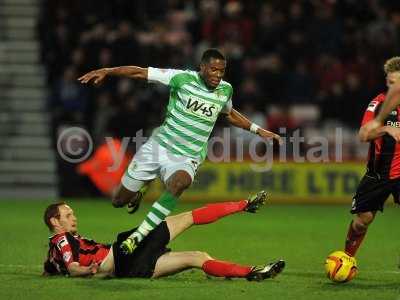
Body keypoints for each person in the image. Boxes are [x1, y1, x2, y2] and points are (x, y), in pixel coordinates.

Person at [78, 49, 282, 253]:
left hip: (187, 157)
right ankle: (144, 185)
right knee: (119, 201)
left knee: (180, 183)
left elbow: (228, 113)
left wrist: (258, 130)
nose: (218, 75)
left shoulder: (225, 90)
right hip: (158, 148)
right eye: (213, 69)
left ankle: (137, 237)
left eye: (222, 71)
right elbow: (139, 72)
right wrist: (107, 70)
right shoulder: (180, 78)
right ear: (202, 67)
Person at [42, 191, 285, 281]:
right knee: (187, 218)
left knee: (196, 257)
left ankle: (252, 272)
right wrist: (87, 271)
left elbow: (55, 266)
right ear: (55, 222)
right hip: (125, 253)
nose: (73, 218)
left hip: (131, 270)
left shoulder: (56, 247)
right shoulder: (63, 240)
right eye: (67, 215)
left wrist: (51, 271)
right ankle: (244, 204)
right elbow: (73, 267)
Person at [344, 57, 400, 258]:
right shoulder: (379, 104)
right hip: (378, 174)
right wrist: (386, 129)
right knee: (362, 221)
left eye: (395, 83)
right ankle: (347, 260)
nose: (390, 86)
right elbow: (363, 135)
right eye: (389, 82)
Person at [359, 58, 400, 141]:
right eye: (391, 82)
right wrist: (386, 129)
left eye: (397, 84)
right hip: (384, 154)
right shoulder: (378, 102)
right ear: (386, 82)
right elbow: (362, 135)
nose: (394, 88)